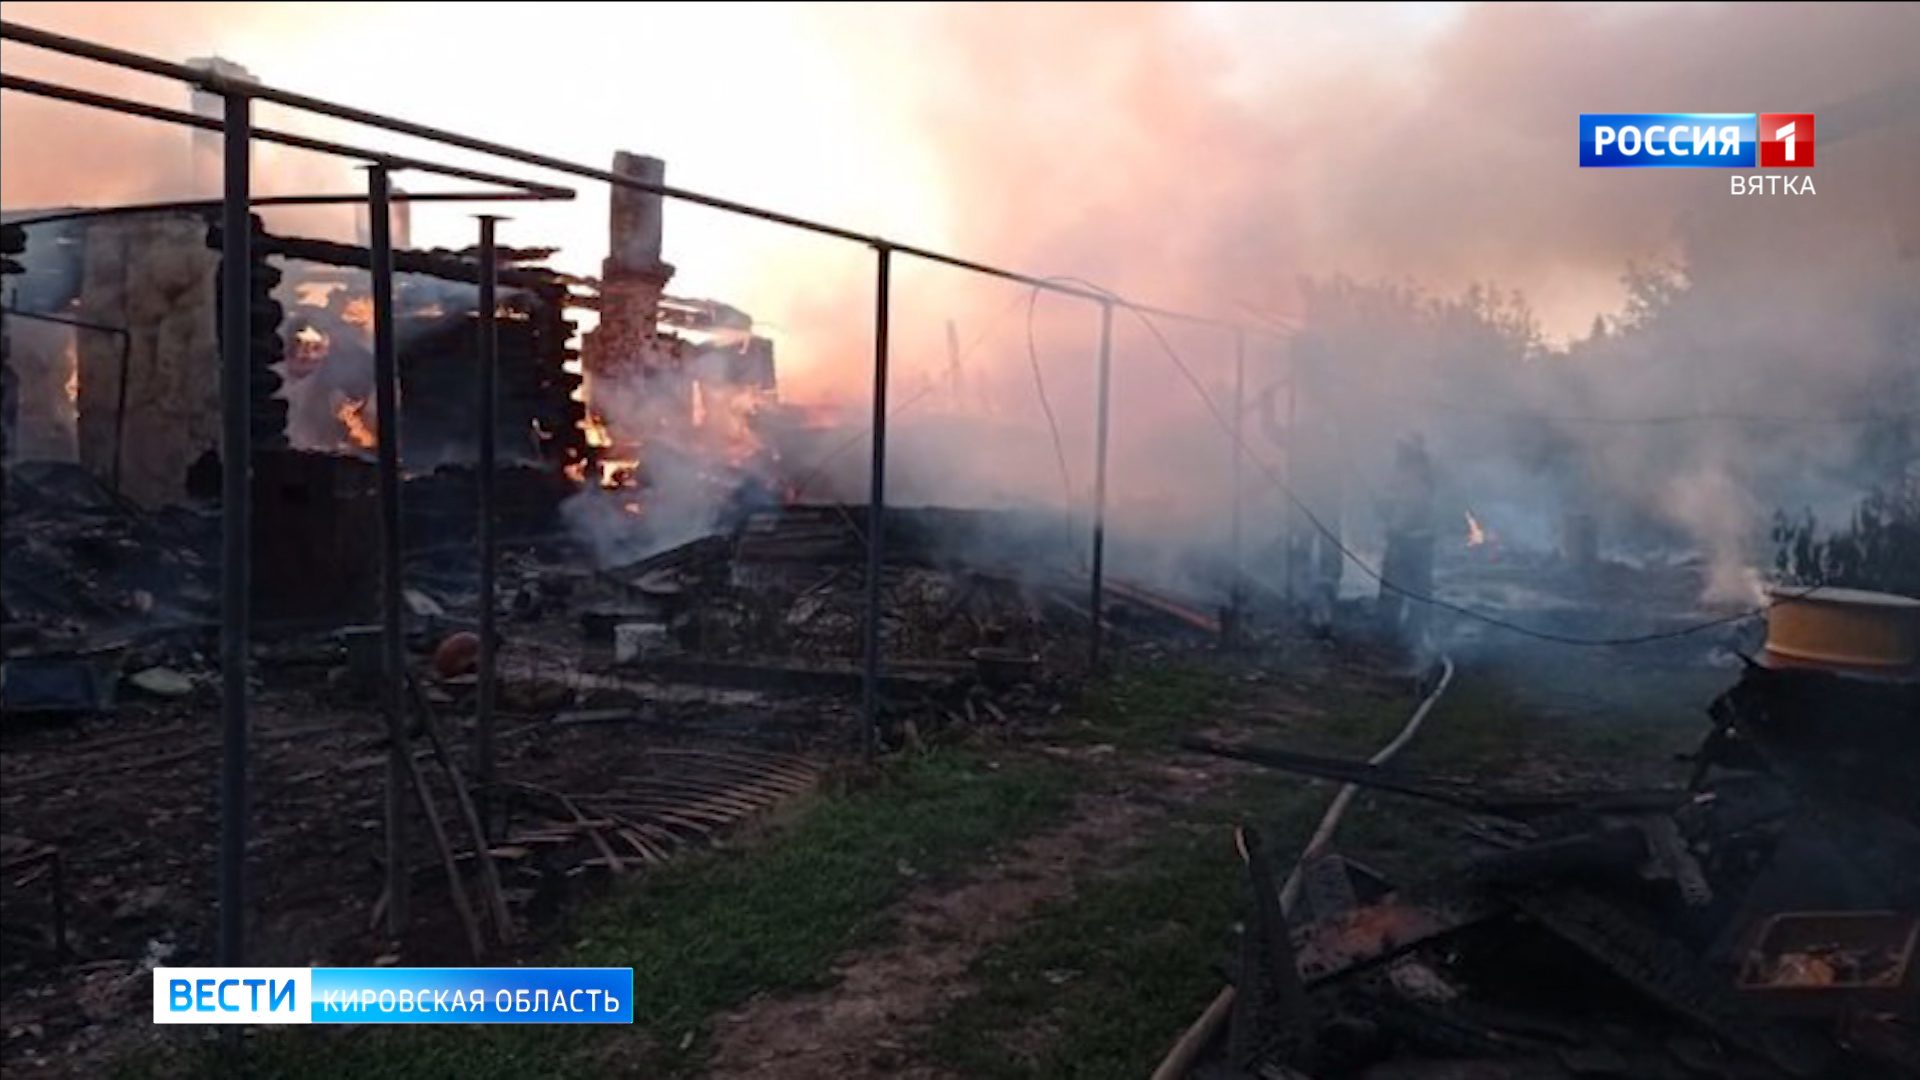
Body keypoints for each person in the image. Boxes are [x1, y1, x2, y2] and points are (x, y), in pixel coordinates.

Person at [1378, 434, 1437, 650]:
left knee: (1400, 590)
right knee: (1415, 591)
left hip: (1409, 542)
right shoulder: (1413, 474)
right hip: (1417, 541)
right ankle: (1403, 634)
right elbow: (1396, 502)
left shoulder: (1417, 476)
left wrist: (1395, 529)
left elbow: (1414, 507)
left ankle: (1405, 637)